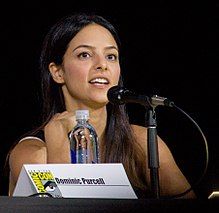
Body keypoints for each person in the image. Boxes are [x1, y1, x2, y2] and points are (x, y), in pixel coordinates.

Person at [7, 12, 196, 198]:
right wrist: (58, 145)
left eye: (111, 56)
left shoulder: (141, 142)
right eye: (85, 55)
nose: (102, 65)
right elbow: (63, 211)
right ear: (57, 72)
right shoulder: (31, 152)